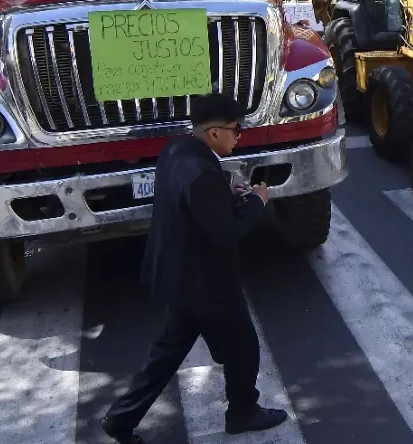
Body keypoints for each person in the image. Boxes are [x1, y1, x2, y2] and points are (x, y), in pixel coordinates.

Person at [100, 94, 289, 444]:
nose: (239, 137)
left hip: (176, 274)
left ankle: (121, 418)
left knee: (168, 352)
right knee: (243, 345)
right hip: (206, 281)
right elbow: (226, 235)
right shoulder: (203, 173)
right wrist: (257, 205)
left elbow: (190, 206)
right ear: (215, 133)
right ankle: (243, 412)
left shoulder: (177, 150)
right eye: (236, 130)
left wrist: (228, 197)